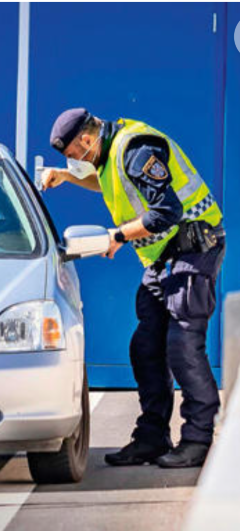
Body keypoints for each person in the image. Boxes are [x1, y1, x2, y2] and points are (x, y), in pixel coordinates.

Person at [44, 108, 225, 468]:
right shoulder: (111, 152)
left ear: (85, 139)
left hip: (194, 246)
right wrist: (68, 176)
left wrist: (118, 235)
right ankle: (152, 438)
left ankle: (198, 440)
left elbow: (167, 211)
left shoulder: (136, 149)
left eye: (72, 155)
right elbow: (106, 180)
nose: (75, 160)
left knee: (183, 344)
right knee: (145, 346)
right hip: (165, 255)